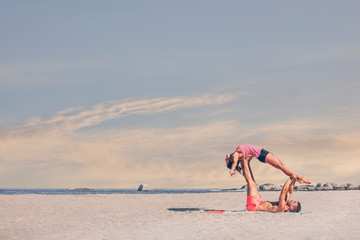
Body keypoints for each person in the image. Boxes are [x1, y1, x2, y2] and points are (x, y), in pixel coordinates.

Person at [225, 144, 310, 184]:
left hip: (261, 155)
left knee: (281, 167)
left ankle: (298, 179)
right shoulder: (235, 155)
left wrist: (233, 168)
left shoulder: (238, 155)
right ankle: (300, 178)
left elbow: (237, 164)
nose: (225, 158)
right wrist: (232, 169)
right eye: (226, 160)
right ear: (230, 160)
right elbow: (235, 162)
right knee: (282, 166)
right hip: (261, 154)